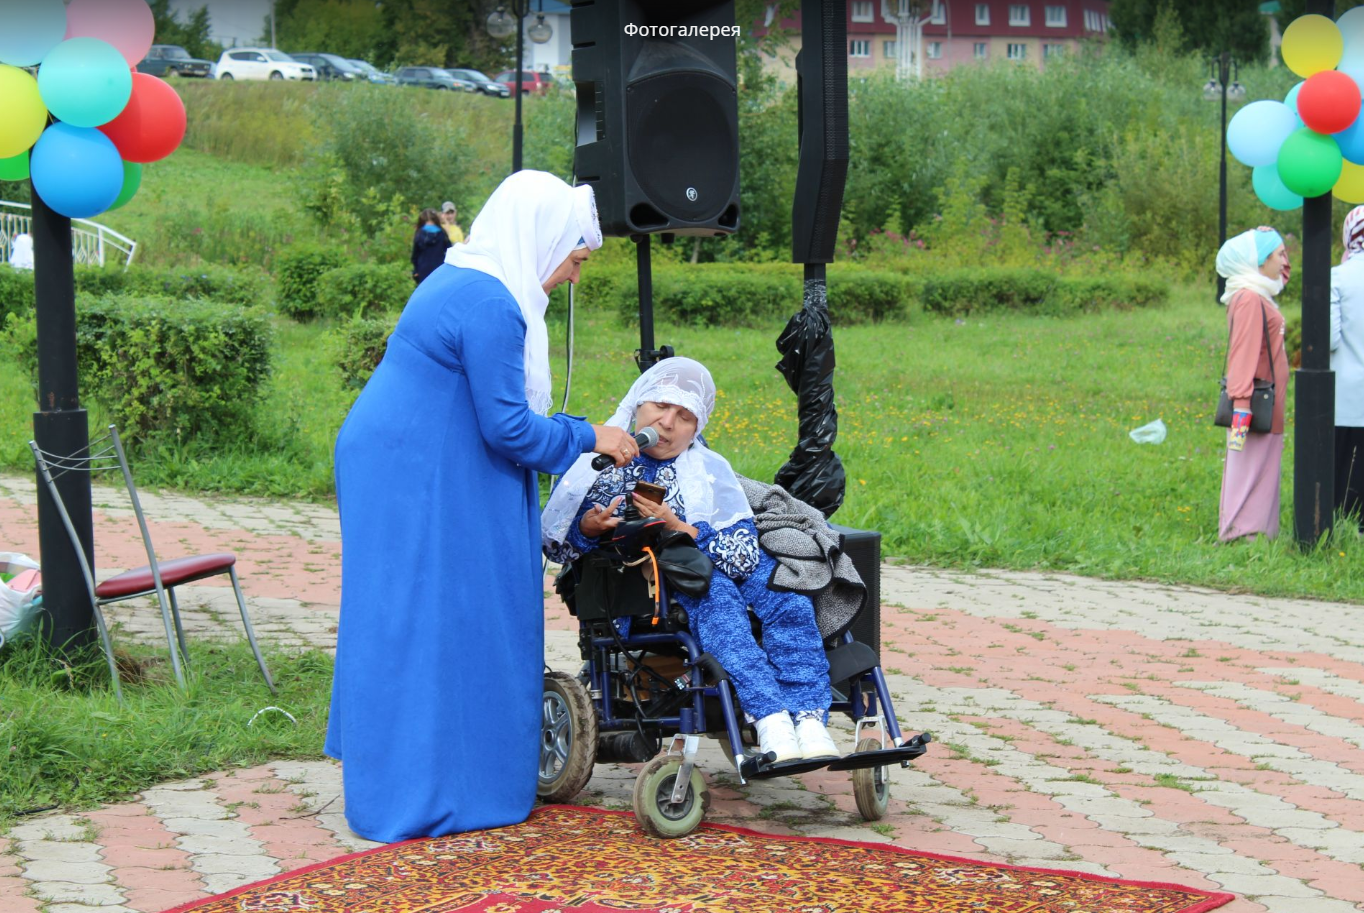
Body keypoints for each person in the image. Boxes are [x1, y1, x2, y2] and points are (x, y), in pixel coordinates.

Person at [326, 170, 640, 843]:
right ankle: (429, 792)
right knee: (434, 618)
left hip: (415, 459)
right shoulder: (492, 302)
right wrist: (593, 436)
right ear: (545, 237)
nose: (575, 276)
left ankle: (430, 777)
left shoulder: (465, 274)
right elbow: (510, 430)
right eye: (576, 258)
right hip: (418, 469)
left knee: (420, 615)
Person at [542, 357, 842, 763]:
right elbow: (559, 548)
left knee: (787, 593)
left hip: (707, 557)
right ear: (637, 406)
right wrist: (591, 528)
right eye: (660, 407)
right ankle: (770, 717)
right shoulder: (595, 465)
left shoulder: (708, 469)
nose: (667, 423)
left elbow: (740, 551)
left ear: (697, 428)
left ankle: (808, 716)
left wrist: (680, 526)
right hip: (643, 581)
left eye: (684, 416)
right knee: (717, 599)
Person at [1216, 227, 1289, 542]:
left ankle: (1257, 533)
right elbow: (1242, 352)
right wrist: (1242, 405)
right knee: (1248, 465)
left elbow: (1283, 273)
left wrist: (1268, 234)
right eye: (1279, 254)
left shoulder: (1259, 292)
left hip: (1267, 403)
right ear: (1259, 261)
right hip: (1254, 403)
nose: (1285, 261)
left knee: (1262, 465)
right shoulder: (1248, 297)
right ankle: (1240, 534)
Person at [1330, 207, 1364, 528]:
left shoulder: (1337, 277)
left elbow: (1327, 338)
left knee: (1345, 471)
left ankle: (1342, 532)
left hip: (1348, 395)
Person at [410, 208, 451, 285]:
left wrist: (416, 270)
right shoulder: (442, 233)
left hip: (423, 270)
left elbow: (414, 256)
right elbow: (450, 250)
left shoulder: (419, 234)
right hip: (439, 269)